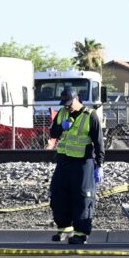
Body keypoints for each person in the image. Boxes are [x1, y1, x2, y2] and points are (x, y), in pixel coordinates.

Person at [48, 87, 104, 245]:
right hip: (64, 161)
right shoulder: (62, 113)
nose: (67, 107)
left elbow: (99, 142)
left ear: (77, 99)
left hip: (82, 163)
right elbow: (53, 133)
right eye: (65, 104)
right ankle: (65, 227)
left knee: (82, 197)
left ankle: (81, 233)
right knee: (58, 193)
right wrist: (61, 127)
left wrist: (99, 164)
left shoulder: (90, 116)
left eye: (69, 104)